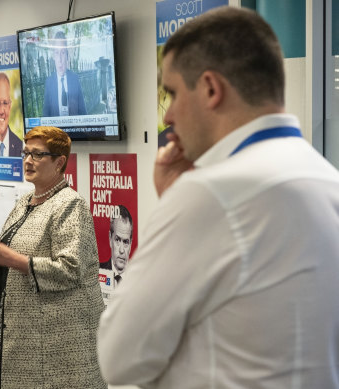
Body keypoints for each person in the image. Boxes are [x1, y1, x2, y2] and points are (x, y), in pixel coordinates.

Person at [98, 7, 339, 389]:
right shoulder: (328, 181)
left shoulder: (208, 195)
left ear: (211, 89)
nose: (169, 114)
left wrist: (173, 203)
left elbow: (119, 359)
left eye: (172, 93)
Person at [0, 126, 106, 388]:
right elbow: (14, 261)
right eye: (26, 153)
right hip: (22, 334)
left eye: (38, 154)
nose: (28, 160)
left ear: (59, 162)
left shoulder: (70, 204)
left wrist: (12, 259)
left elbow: (70, 270)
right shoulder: (25, 202)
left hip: (55, 347)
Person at [42, 31, 87, 117]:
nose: (60, 59)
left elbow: (83, 111)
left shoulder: (75, 79)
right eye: (57, 53)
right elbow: (46, 114)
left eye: (62, 52)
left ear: (67, 55)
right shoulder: (49, 82)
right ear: (54, 57)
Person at [99, 204, 132, 284]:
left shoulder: (139, 277)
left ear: (130, 244)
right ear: (110, 238)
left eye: (125, 242)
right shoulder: (97, 271)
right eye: (117, 240)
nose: (121, 250)